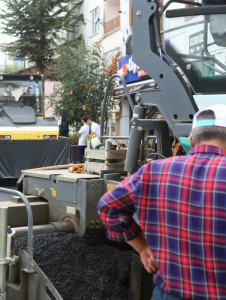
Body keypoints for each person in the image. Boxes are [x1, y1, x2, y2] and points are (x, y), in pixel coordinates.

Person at [97, 104, 226, 300]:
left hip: (167, 294)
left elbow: (108, 207)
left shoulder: (153, 171)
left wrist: (141, 246)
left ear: (191, 140)